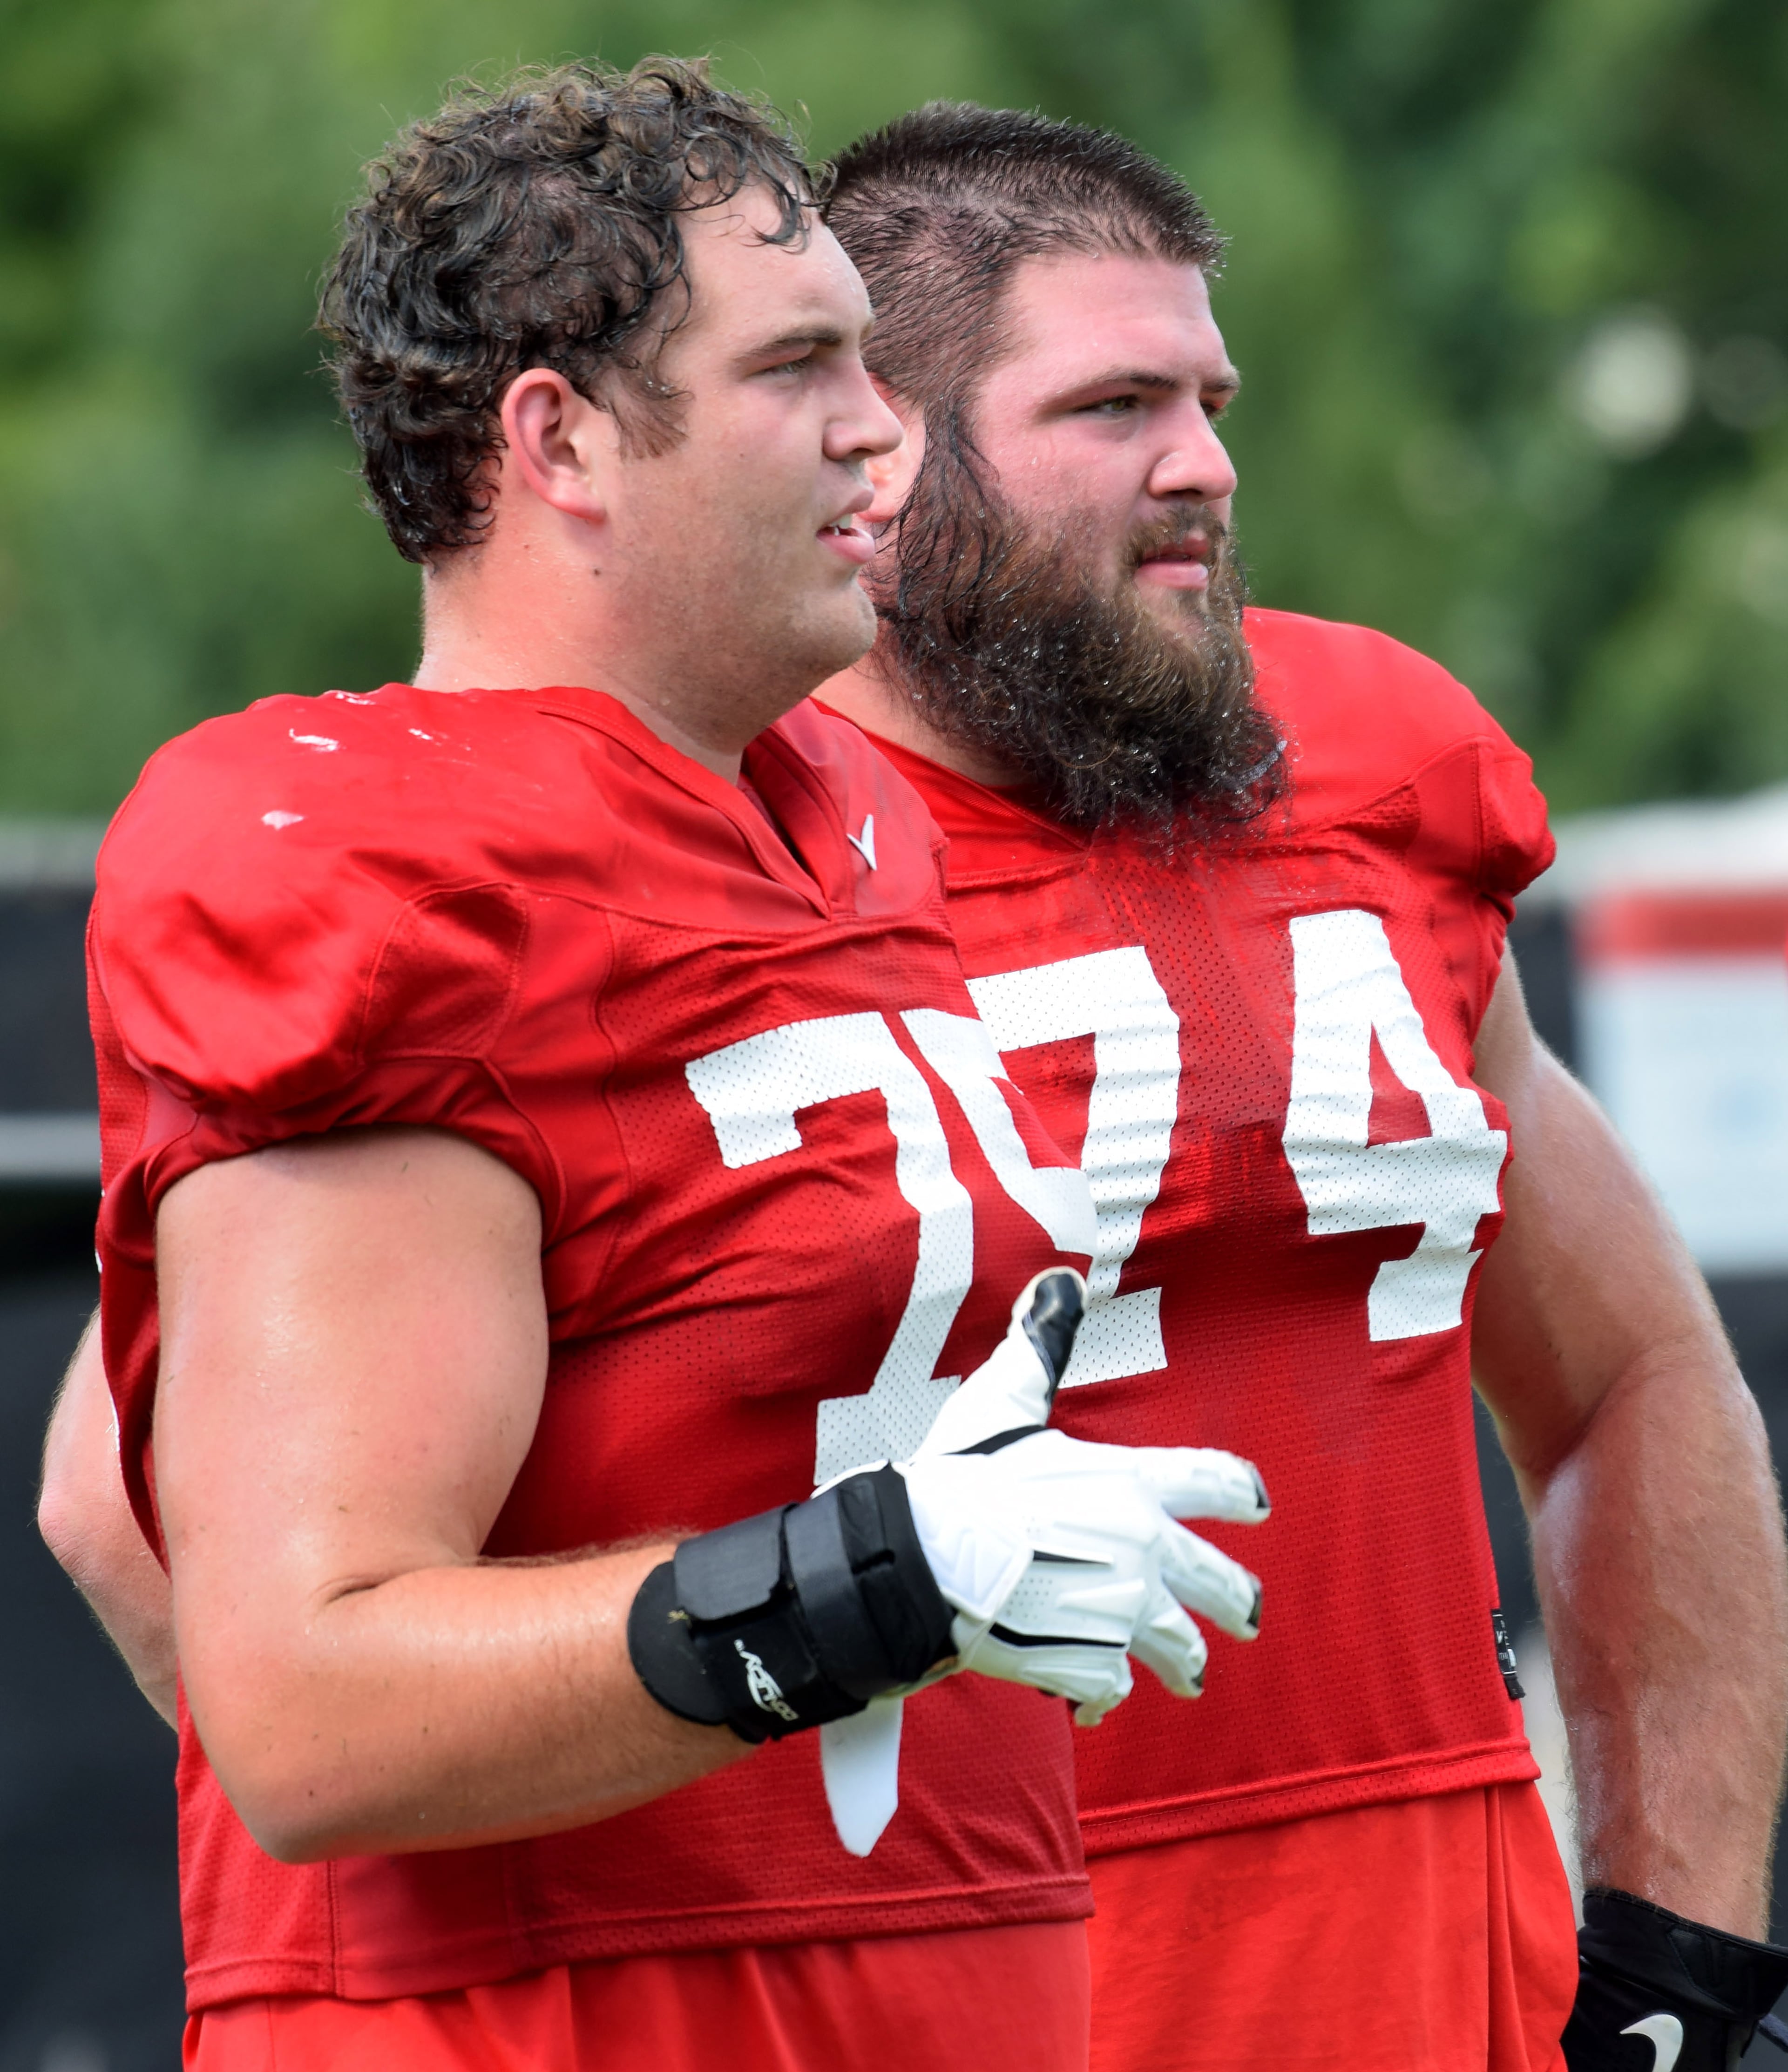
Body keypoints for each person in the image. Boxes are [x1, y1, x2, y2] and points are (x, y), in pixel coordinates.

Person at [37, 64, 1274, 2072]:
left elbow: (120, 1498)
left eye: (875, 357)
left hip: (932, 1975)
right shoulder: (378, 859)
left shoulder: (844, 802)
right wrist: (860, 1588)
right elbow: (305, 1696)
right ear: (565, 437)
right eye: (803, 365)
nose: (885, 431)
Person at [816, 103, 1788, 2072]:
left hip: (1447, 1977)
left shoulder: (1365, 763)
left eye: (1211, 395)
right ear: (874, 452)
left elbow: (1628, 1379)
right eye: (1115, 405)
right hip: (921, 1975)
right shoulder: (669, 849)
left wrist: (1682, 1944)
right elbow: (176, 1521)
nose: (1206, 466)